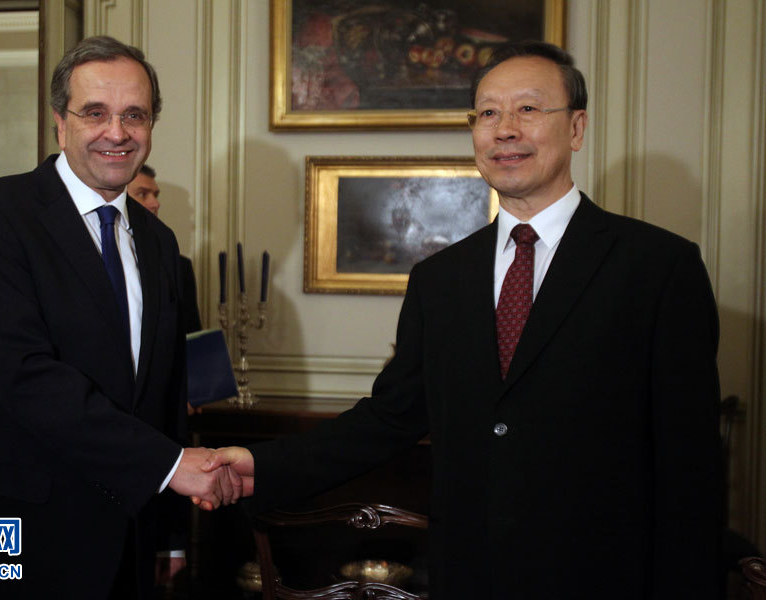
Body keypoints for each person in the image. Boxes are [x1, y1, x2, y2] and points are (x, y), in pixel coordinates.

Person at [205, 41, 723, 598]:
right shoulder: (440, 279)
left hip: (605, 578)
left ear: (576, 128)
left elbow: (690, 466)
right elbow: (390, 418)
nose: (505, 130)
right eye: (488, 113)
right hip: (469, 576)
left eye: (528, 109)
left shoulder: (658, 267)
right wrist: (263, 463)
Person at [0, 36, 240, 599]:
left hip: (126, 539)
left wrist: (169, 537)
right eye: (95, 112)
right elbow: (23, 374)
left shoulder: (160, 242)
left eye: (134, 115)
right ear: (59, 123)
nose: (116, 132)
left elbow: (165, 395)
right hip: (10, 540)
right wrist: (170, 465)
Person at [128, 164, 202, 334]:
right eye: (142, 194)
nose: (155, 203)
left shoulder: (180, 266)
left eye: (155, 195)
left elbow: (191, 336)